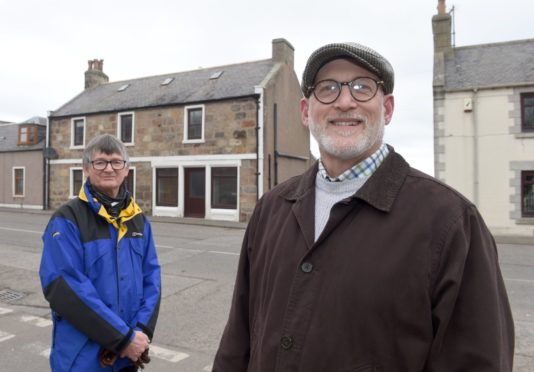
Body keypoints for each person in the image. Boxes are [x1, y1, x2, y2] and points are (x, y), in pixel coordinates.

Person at [213, 42, 514, 371]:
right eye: (327, 88)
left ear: (386, 109)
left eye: (362, 87)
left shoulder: (450, 221)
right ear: (305, 111)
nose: (345, 101)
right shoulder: (271, 208)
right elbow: (238, 339)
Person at [39, 134, 161, 371]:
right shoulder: (67, 219)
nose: (109, 168)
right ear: (86, 168)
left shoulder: (139, 221)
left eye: (116, 162)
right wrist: (123, 338)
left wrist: (141, 333)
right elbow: (63, 286)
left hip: (127, 358)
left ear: (126, 170)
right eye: (100, 162)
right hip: (82, 359)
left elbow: (152, 279)